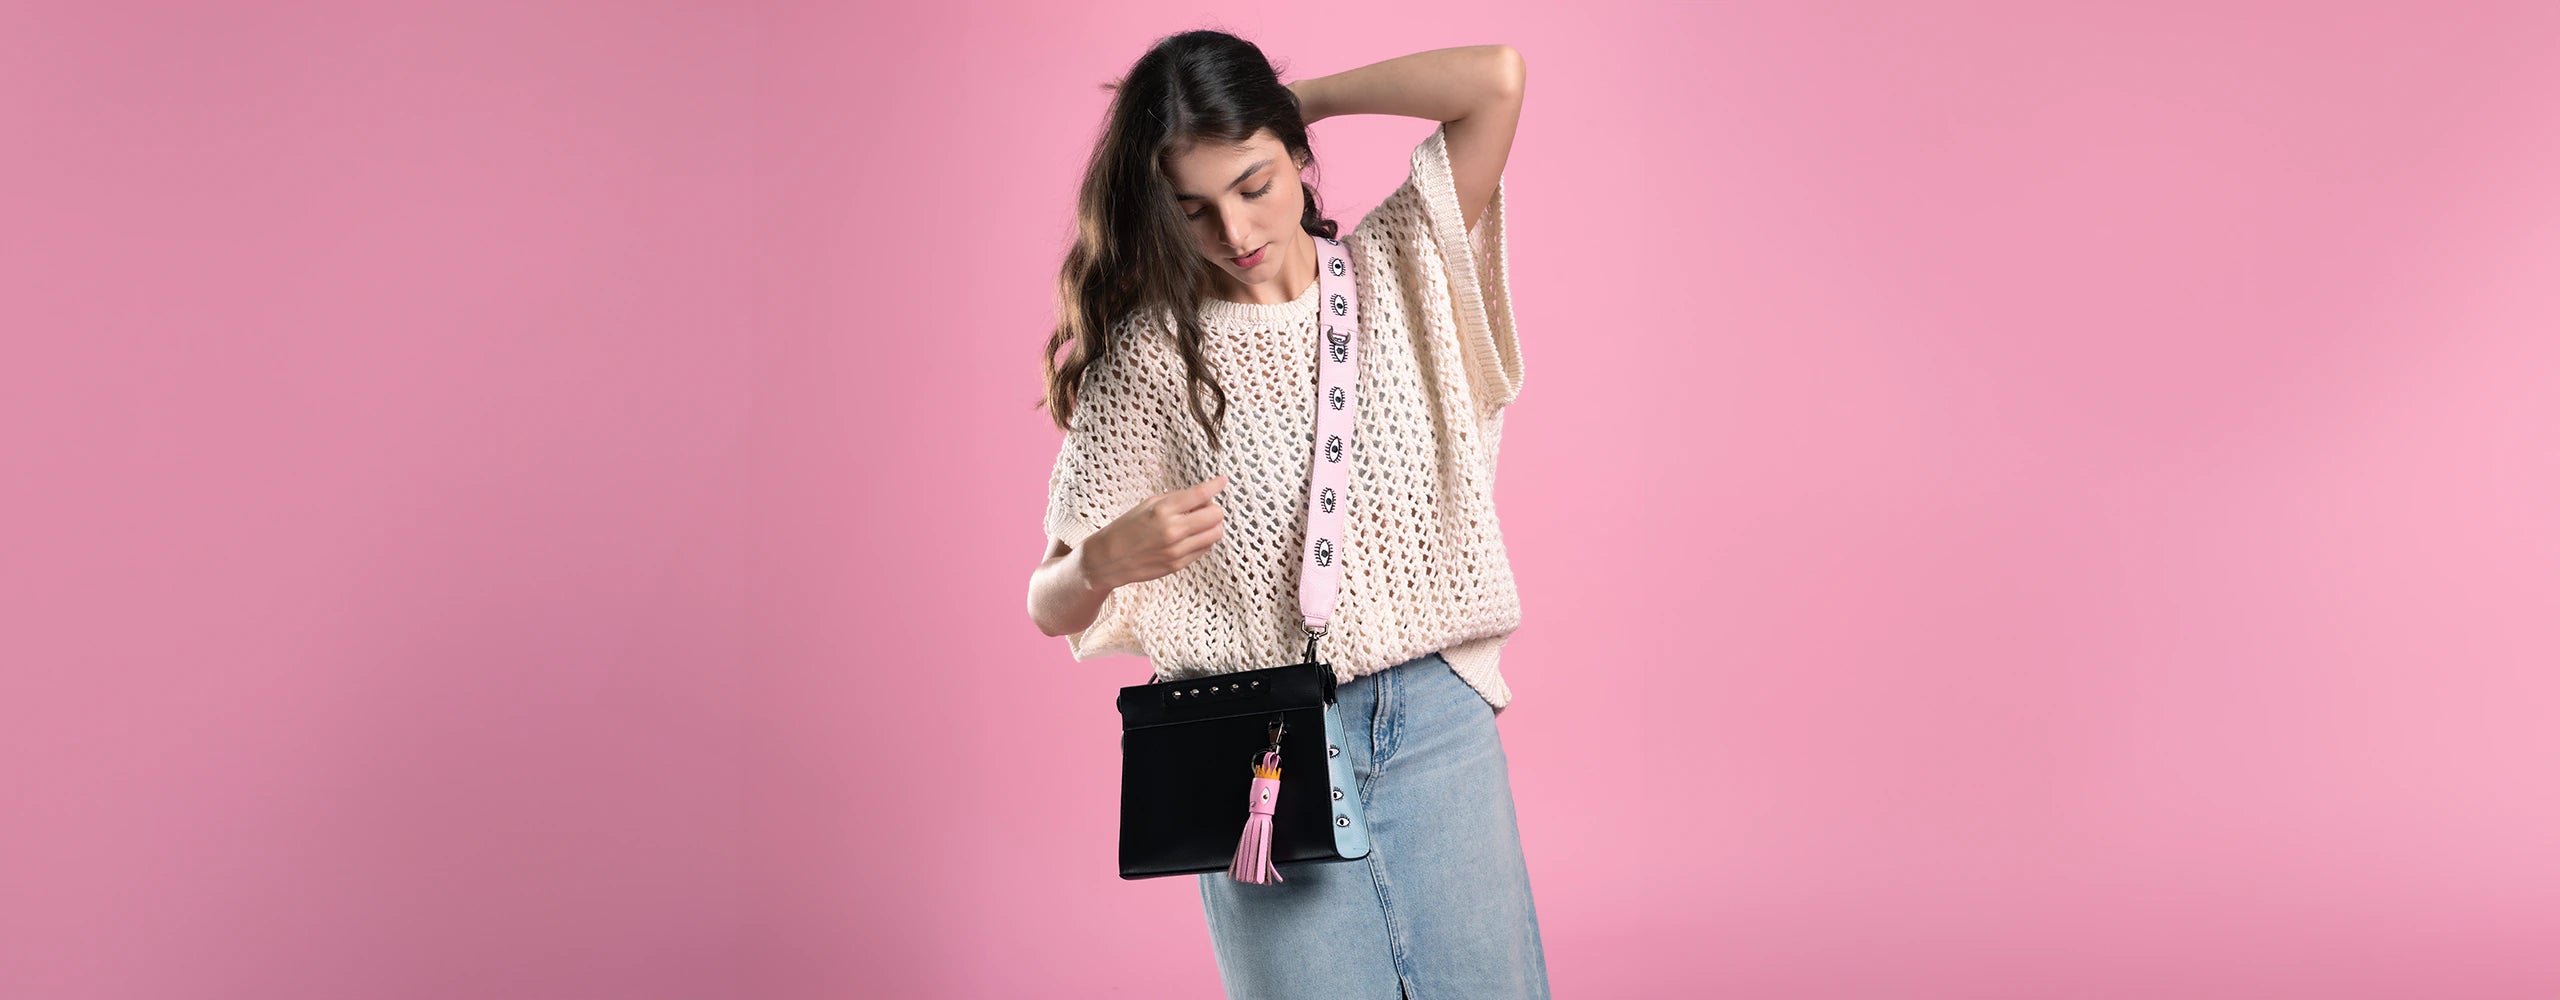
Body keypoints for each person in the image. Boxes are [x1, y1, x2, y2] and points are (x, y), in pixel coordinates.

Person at [1026, 29, 1545, 1000]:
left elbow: (1493, 81)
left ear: (1297, 158)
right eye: (1194, 208)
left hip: (1432, 721)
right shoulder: (1146, 361)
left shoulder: (1402, 267)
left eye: (1255, 181)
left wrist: (1290, 99)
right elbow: (1049, 602)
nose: (1233, 228)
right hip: (1256, 757)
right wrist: (1100, 560)